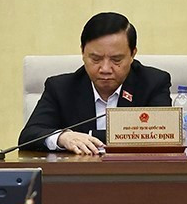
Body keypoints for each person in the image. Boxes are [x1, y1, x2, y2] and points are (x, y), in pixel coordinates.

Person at [18, 12, 172, 155]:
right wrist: (62, 138)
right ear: (83, 53)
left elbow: (166, 137)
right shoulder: (61, 88)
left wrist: (91, 136)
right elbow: (29, 136)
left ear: (132, 54)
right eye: (96, 59)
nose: (105, 69)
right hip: (77, 178)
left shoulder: (153, 83)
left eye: (116, 60)